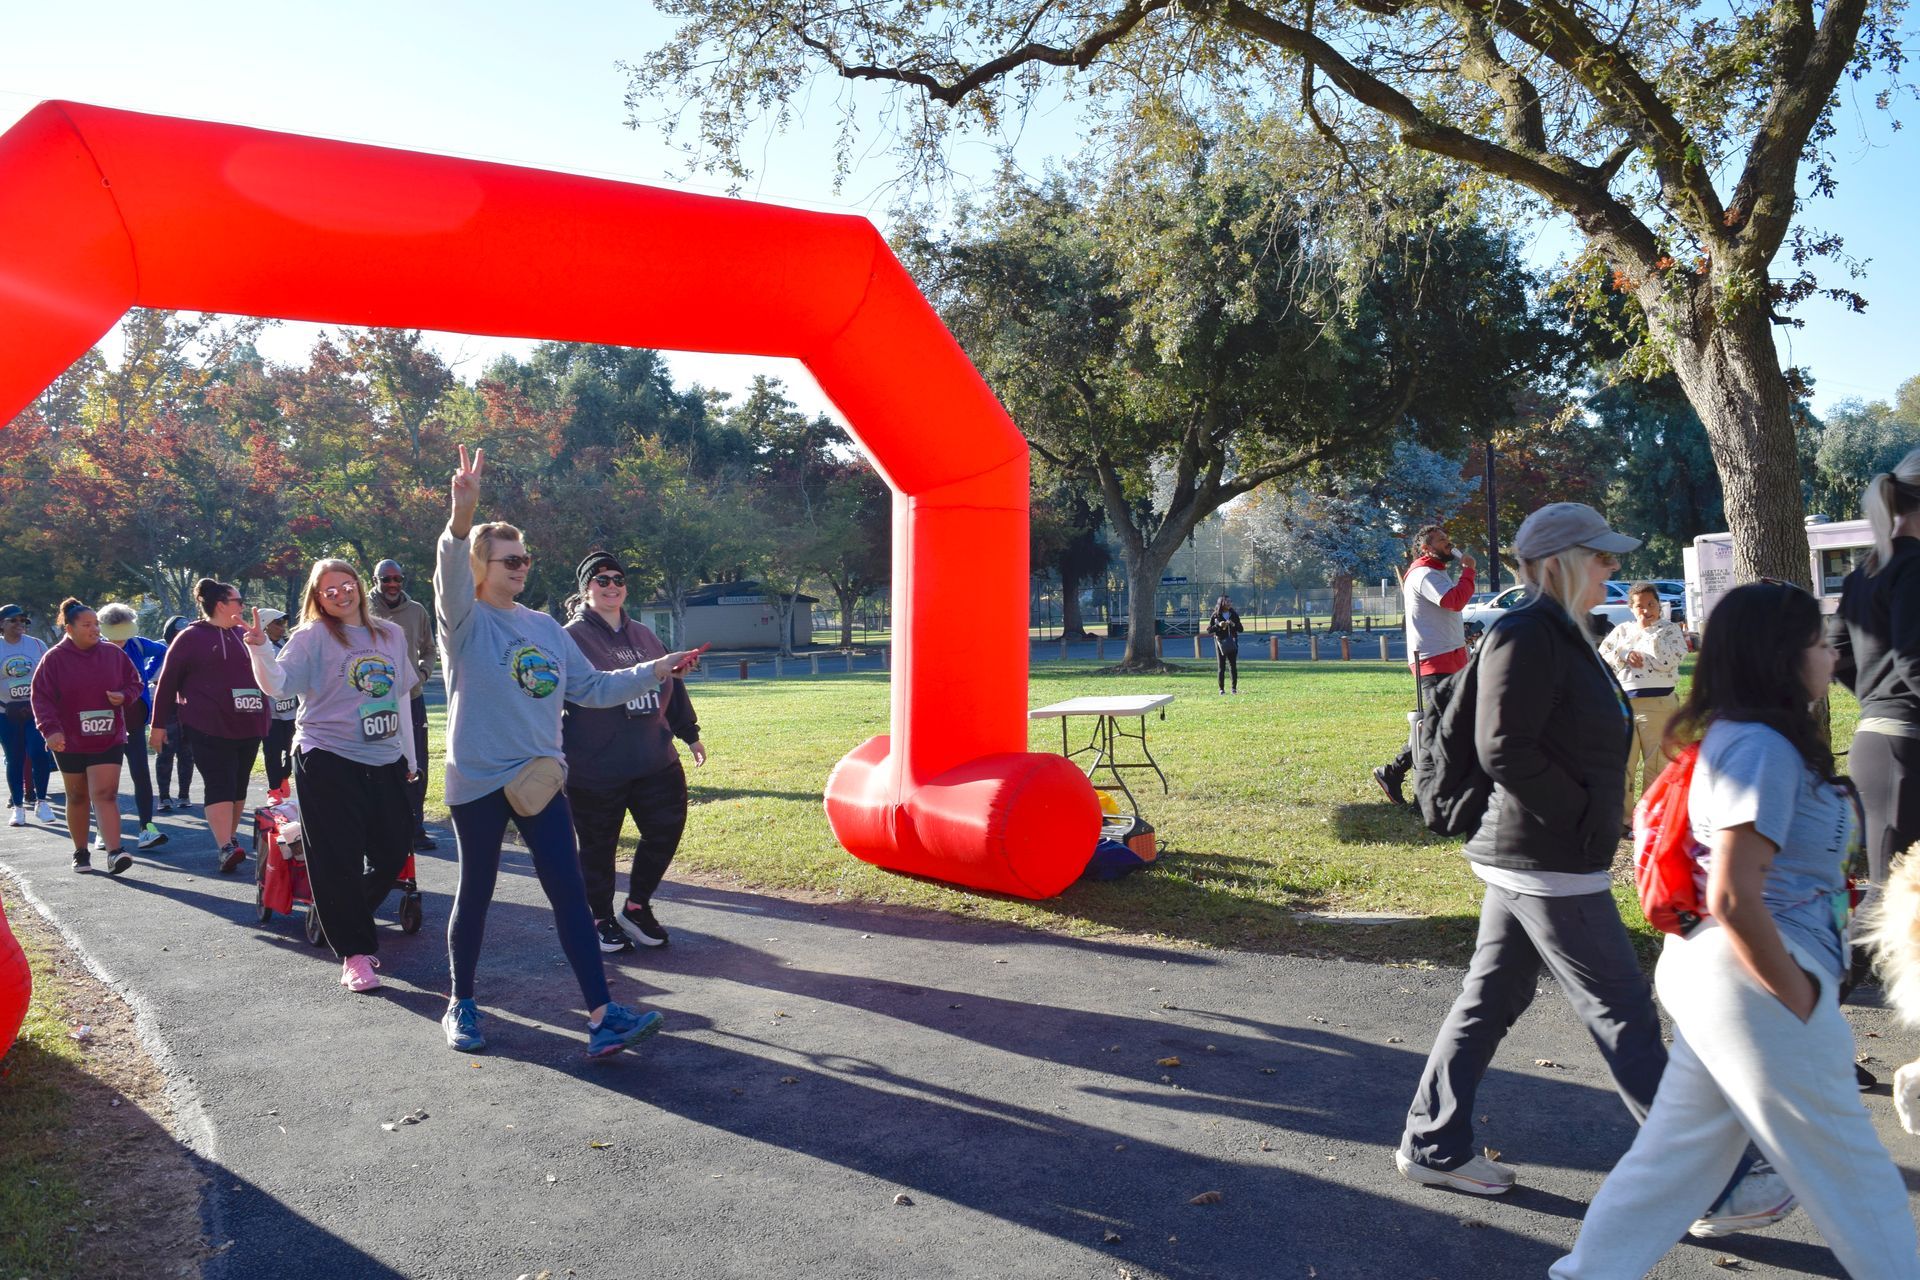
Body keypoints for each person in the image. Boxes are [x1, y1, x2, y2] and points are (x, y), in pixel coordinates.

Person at [1395, 504, 1789, 1237]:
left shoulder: (1571, 633)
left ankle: (1432, 1140)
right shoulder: (1527, 632)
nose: (1613, 567)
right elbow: (1503, 747)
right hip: (1545, 859)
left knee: (1491, 999)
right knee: (1627, 1019)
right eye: (1601, 556)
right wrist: (1586, 816)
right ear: (1561, 560)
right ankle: (1719, 1184)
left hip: (1536, 858)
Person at [1550, 581, 1920, 1278]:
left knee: (1674, 1163)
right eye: (1816, 641)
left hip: (1720, 973)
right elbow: (1732, 892)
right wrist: (1798, 998)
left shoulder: (1749, 739)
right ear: (1779, 656)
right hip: (1753, 978)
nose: (1828, 653)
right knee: (1855, 1174)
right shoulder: (1759, 748)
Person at [435, 446, 701, 1058]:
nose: (521, 567)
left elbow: (594, 689)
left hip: (540, 780)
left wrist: (659, 667)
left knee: (570, 894)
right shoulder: (466, 621)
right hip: (478, 779)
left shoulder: (544, 627)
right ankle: (462, 1004)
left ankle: (603, 1015)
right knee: (475, 890)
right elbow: (447, 573)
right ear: (481, 565)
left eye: (525, 559)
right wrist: (460, 515)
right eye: (508, 560)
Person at [245, 561, 419, 994]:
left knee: (394, 849)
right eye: (329, 591)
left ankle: (338, 912)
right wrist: (259, 649)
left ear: (359, 586)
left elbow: (399, 700)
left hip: (385, 757)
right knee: (337, 859)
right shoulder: (311, 636)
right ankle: (355, 955)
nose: (341, 595)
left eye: (346, 586)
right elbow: (280, 687)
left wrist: (409, 757)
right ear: (317, 598)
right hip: (327, 757)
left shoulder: (390, 634)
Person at [562, 551, 707, 954]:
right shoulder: (570, 637)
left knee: (664, 831)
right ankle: (600, 917)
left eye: (617, 579)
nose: (612, 586)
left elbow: (672, 685)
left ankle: (637, 907)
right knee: (598, 847)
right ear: (586, 589)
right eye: (601, 580)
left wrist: (688, 733)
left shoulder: (644, 634)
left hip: (653, 759)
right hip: (595, 767)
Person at [1833, 447, 1920, 892]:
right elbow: (1913, 661)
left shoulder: (1863, 572)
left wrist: (1878, 699)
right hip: (1902, 753)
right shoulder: (1912, 567)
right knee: (1891, 900)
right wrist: (1890, 700)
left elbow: (1837, 655)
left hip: (1881, 744)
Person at [149, 580, 269, 874]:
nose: (242, 606)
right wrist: (158, 725)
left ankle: (229, 841)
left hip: (249, 722)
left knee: (239, 784)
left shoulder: (246, 634)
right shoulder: (190, 637)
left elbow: (269, 672)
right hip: (207, 725)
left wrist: (262, 645)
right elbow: (167, 682)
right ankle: (225, 846)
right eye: (238, 600)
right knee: (220, 782)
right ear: (221, 604)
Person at [30, 599, 143, 874]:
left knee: (105, 793)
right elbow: (40, 697)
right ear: (69, 628)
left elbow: (135, 683)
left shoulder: (113, 654)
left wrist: (124, 696)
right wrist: (50, 730)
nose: (95, 629)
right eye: (87, 625)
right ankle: (81, 851)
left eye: (96, 624)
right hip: (68, 739)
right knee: (78, 795)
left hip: (108, 736)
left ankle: (115, 852)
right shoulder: (54, 658)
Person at [1373, 526, 1475, 805]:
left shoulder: (1437, 572)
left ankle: (1394, 774)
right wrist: (1468, 571)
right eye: (1442, 540)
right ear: (1427, 548)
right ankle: (1419, 789)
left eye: (1447, 537)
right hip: (1433, 659)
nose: (1448, 542)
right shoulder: (1424, 573)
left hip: (1450, 657)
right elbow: (1453, 601)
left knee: (1441, 724)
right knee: (1438, 726)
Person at [1598, 581, 1688, 827]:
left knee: (1656, 762)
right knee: (1625, 763)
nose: (1646, 610)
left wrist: (1649, 636)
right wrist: (1625, 653)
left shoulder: (1669, 631)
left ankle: (1650, 818)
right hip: (1625, 705)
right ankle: (1625, 819)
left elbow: (1667, 661)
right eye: (1639, 606)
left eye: (1651, 604)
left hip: (1658, 704)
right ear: (1631, 608)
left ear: (1659, 606)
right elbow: (1605, 657)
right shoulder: (1622, 631)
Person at [368, 557, 437, 851]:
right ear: (375, 581)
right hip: (372, 704)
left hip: (411, 700)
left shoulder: (417, 611)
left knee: (416, 763)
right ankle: (378, 829)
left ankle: (415, 828)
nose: (393, 584)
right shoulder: (362, 609)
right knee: (376, 764)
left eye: (397, 579)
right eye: (386, 579)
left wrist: (420, 675)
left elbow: (429, 650)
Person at [96, 603, 169, 850]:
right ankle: (101, 830)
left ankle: (146, 828)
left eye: (123, 632)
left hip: (134, 719)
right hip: (103, 723)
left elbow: (164, 651)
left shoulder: (137, 644)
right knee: (104, 780)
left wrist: (145, 676)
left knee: (141, 773)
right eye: (114, 633)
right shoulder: (94, 649)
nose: (119, 640)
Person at [0, 603, 56, 826]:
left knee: (39, 753)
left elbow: (48, 675)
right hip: (6, 712)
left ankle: (42, 802)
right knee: (14, 758)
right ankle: (18, 807)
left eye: (23, 620)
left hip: (35, 710)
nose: (19, 624)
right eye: (13, 620)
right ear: (2, 624)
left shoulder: (36, 645)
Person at [153, 614, 194, 813]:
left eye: (185, 632)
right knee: (165, 754)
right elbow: (151, 676)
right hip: (166, 710)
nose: (182, 636)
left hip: (188, 710)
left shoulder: (195, 652)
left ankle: (184, 794)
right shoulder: (161, 651)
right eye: (178, 632)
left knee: (187, 754)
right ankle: (164, 796)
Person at [256, 609, 296, 795]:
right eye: (278, 623)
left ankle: (285, 776)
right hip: (269, 710)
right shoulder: (257, 646)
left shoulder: (290, 644)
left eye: (283, 623)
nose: (282, 627)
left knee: (292, 750)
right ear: (266, 625)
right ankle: (273, 789)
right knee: (271, 751)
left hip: (292, 710)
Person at [1207, 595, 1244, 695]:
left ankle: (1233, 689)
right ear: (1221, 603)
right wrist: (1218, 625)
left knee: (1233, 666)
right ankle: (1221, 689)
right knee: (1221, 667)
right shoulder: (1215, 615)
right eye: (1227, 601)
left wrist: (1233, 624)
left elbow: (1241, 629)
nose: (1229, 603)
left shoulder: (1234, 614)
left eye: (1230, 601)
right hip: (1220, 643)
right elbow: (1209, 630)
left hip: (1232, 642)